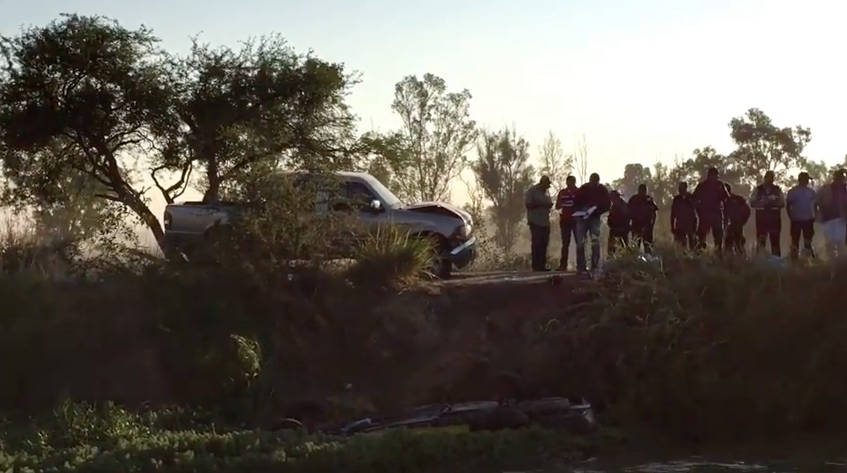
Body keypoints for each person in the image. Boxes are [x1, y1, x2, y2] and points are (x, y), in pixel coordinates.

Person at [573, 172, 611, 275]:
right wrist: (581, 211)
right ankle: (581, 266)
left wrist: (596, 211)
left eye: (595, 182)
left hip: (595, 217)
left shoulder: (602, 190)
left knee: (595, 240)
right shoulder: (584, 188)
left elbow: (607, 205)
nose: (593, 184)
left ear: (598, 181)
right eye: (592, 182)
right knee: (580, 242)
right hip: (582, 217)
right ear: (590, 180)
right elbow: (575, 202)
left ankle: (595, 265)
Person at [692, 167, 730, 252]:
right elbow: (694, 199)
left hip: (716, 214)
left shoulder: (720, 185)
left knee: (718, 238)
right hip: (705, 214)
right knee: (701, 237)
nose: (716, 177)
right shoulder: (702, 186)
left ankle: (718, 254)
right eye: (715, 175)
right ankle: (700, 252)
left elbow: (727, 199)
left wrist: (726, 212)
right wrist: (699, 211)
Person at [748, 170, 785, 257]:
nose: (770, 179)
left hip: (774, 219)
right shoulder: (758, 189)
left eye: (772, 177)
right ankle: (760, 260)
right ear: (765, 178)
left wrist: (774, 202)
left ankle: (776, 261)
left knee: (775, 242)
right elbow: (752, 203)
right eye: (768, 177)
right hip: (762, 219)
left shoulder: (777, 189)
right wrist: (765, 201)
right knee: (761, 241)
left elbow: (782, 203)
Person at [785, 171, 817, 259]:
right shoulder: (793, 191)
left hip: (808, 219)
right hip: (797, 220)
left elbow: (815, 205)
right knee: (795, 243)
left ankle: (809, 260)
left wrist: (815, 215)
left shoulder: (811, 192)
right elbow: (788, 205)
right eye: (806, 179)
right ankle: (795, 260)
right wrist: (791, 217)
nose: (807, 181)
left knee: (808, 243)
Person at [524, 175, 553, 272]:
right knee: (537, 243)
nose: (547, 187)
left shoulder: (547, 192)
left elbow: (549, 203)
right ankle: (535, 266)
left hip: (545, 221)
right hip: (535, 221)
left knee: (544, 243)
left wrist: (548, 205)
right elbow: (528, 205)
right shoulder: (532, 191)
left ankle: (542, 265)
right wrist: (540, 204)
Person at [816, 169, 847, 259]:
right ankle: (831, 262)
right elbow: (816, 202)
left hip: (841, 219)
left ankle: (840, 263)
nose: (842, 179)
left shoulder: (845, 189)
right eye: (841, 177)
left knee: (840, 243)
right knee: (829, 243)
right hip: (827, 219)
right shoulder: (825, 189)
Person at [554, 175, 579, 271]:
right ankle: (563, 265)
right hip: (565, 220)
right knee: (565, 243)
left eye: (572, 183)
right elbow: (557, 207)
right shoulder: (562, 192)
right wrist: (561, 201)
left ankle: (581, 264)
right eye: (568, 183)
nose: (570, 184)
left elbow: (582, 204)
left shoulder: (578, 192)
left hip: (576, 220)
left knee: (579, 242)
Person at [627, 183, 658, 255]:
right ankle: (635, 259)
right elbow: (628, 212)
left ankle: (648, 259)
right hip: (636, 225)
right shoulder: (634, 199)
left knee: (648, 246)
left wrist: (652, 225)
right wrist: (629, 224)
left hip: (647, 226)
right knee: (635, 246)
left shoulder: (649, 200)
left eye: (644, 191)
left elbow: (654, 213)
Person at [724, 183, 751, 254]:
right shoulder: (722, 200)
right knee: (729, 242)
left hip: (736, 224)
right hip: (730, 225)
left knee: (737, 241)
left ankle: (740, 256)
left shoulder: (737, 200)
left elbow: (747, 210)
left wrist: (741, 221)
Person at [670, 182, 697, 250]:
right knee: (680, 244)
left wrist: (695, 224)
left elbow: (696, 210)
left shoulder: (691, 197)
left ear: (686, 189)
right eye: (680, 189)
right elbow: (673, 213)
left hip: (690, 224)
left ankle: (692, 255)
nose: (681, 191)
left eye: (682, 189)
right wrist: (672, 226)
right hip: (680, 224)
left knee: (692, 243)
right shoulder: (677, 199)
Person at [606, 190, 630, 255]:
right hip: (614, 230)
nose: (611, 200)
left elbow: (627, 218)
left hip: (622, 230)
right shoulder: (613, 206)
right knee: (611, 250)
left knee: (624, 248)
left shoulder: (624, 206)